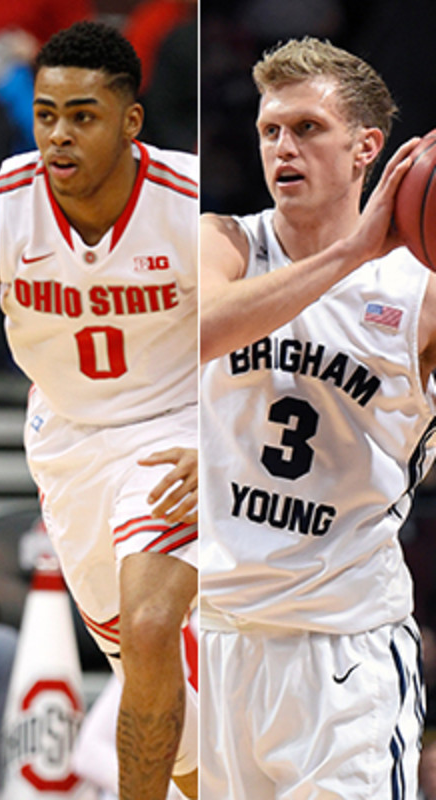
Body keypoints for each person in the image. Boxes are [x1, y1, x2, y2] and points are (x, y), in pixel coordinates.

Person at [0, 21, 200, 800]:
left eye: (83, 116)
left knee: (157, 623)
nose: (59, 135)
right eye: (46, 114)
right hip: (67, 445)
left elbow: (253, 338)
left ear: (131, 121)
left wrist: (227, 445)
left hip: (174, 427)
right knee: (168, 707)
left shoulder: (191, 209)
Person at [198, 37, 433, 798]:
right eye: (271, 131)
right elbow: (196, 331)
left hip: (345, 655)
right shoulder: (225, 242)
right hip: (218, 644)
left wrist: (372, 255)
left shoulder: (417, 294)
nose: (282, 148)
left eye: (306, 128)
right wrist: (352, 253)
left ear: (367, 147)